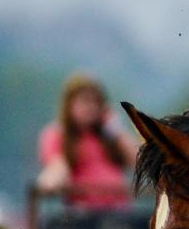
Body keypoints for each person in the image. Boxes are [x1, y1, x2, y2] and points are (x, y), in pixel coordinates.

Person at [36, 74, 137, 210]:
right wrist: (50, 180)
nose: (92, 107)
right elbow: (56, 167)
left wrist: (116, 129)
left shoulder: (109, 136)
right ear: (69, 105)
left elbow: (139, 161)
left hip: (119, 211)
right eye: (85, 101)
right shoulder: (57, 134)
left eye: (96, 102)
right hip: (85, 214)